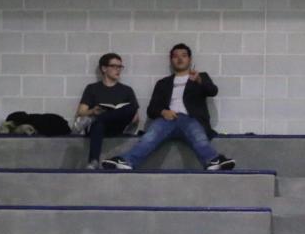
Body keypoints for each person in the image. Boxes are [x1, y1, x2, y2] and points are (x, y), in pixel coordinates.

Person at [100, 43, 235, 172]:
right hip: (167, 120)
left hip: (191, 120)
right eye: (176, 56)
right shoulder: (163, 83)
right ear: (171, 60)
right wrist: (163, 111)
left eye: (184, 55)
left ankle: (213, 160)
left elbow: (213, 91)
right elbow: (151, 109)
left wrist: (200, 81)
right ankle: (126, 162)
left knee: (198, 135)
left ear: (190, 59)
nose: (180, 58)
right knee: (149, 137)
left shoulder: (201, 77)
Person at [76, 52, 139, 170]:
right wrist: (93, 111)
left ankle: (96, 118)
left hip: (117, 126)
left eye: (120, 67)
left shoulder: (126, 90)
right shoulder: (92, 88)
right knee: (98, 123)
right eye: (114, 66)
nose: (118, 70)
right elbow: (81, 112)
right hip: (98, 128)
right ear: (104, 68)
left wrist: (122, 115)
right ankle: (93, 162)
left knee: (131, 107)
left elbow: (135, 117)